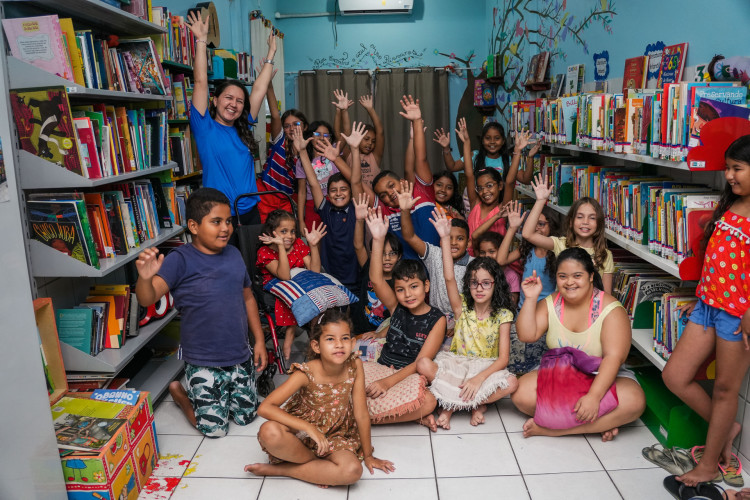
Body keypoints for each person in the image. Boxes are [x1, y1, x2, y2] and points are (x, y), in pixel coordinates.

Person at [134, 188, 268, 437]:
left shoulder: (234, 254)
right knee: (215, 431)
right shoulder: (180, 259)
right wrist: (144, 279)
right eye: (216, 222)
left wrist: (259, 340)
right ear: (194, 226)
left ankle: (221, 396)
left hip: (239, 354)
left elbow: (248, 297)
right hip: (203, 359)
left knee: (247, 418)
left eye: (228, 221)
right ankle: (183, 397)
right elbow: (147, 297)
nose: (225, 228)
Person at [661, 135, 750, 487]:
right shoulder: (733, 203)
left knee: (726, 390)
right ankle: (726, 430)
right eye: (728, 168)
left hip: (736, 315)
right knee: (675, 375)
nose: (729, 175)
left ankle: (710, 465)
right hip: (707, 305)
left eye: (737, 168)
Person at [244, 309, 394, 487]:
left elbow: (361, 413)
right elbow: (265, 407)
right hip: (301, 433)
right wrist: (308, 428)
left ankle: (283, 469)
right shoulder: (306, 372)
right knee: (269, 431)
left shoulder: (355, 365)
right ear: (316, 346)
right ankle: (316, 466)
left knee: (353, 471)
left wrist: (368, 455)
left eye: (345, 338)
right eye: (330, 339)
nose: (339, 344)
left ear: (353, 342)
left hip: (336, 434)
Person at [511, 248, 645, 441]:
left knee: (634, 401)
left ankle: (555, 428)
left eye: (577, 275)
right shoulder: (551, 302)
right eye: (562, 276)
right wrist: (531, 299)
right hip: (561, 374)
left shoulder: (611, 309)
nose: (569, 282)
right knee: (521, 393)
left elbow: (613, 359)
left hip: (604, 378)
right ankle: (601, 422)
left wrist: (594, 397)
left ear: (591, 276)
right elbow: (526, 334)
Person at [416, 208, 517, 429]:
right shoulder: (461, 307)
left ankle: (450, 406)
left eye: (486, 283)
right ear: (468, 285)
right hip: (457, 364)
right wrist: (444, 237)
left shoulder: (503, 315)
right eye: (474, 283)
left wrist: (478, 379)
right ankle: (475, 405)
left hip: (485, 368)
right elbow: (449, 276)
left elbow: (503, 360)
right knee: (423, 363)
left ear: (495, 285)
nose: (479, 288)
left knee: (511, 382)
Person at [186, 11, 276, 226]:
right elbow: (199, 82)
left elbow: (259, 89)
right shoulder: (204, 127)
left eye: (239, 101)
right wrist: (200, 40)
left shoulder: (243, 126)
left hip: (250, 211)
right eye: (228, 98)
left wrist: (271, 52)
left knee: (252, 261)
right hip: (218, 216)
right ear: (215, 101)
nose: (233, 104)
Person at [363, 207, 446, 431]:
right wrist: (378, 239)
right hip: (382, 366)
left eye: (414, 287)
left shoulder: (437, 319)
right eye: (401, 289)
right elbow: (376, 279)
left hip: (409, 374)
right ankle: (409, 414)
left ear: (426, 286)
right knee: (345, 378)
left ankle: (359, 417)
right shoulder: (396, 307)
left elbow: (421, 362)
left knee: (429, 402)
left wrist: (386, 383)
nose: (408, 294)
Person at [292, 121, 366, 293]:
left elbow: (355, 180)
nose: (338, 194)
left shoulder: (357, 208)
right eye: (333, 190)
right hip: (332, 277)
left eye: (343, 189)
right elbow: (313, 183)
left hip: (356, 275)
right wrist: (303, 152)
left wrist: (354, 150)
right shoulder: (325, 209)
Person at [369, 95, 440, 261]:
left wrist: (416, 122)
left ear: (402, 181)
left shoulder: (422, 190)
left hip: (436, 269)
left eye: (391, 185)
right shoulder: (387, 210)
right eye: (383, 195)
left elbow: (420, 159)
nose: (390, 193)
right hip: (406, 275)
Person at [398, 180, 473, 331]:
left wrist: (458, 323)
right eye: (449, 237)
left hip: (462, 320)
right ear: (441, 237)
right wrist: (405, 210)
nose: (453, 243)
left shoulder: (474, 265)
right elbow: (409, 236)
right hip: (434, 317)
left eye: (460, 238)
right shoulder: (435, 254)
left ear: (468, 243)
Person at [522, 173, 615, 294]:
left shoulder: (605, 255)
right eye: (580, 217)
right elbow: (528, 234)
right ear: (571, 222)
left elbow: (606, 295)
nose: (585, 222)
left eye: (592, 218)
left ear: (599, 224)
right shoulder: (561, 244)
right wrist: (540, 201)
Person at [256, 209, 327, 360]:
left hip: (300, 281)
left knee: (319, 293)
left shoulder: (299, 244)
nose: (290, 236)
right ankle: (290, 334)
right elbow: (284, 276)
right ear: (271, 232)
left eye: (292, 231)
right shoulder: (264, 252)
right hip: (277, 283)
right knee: (292, 291)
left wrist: (313, 246)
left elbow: (314, 272)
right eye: (284, 231)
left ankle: (314, 337)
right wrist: (281, 247)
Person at [257, 74, 309, 222]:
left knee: (286, 233)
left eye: (296, 124)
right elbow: (274, 114)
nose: (292, 129)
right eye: (287, 126)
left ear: (305, 127)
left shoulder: (307, 150)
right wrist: (269, 84)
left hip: (287, 199)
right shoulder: (279, 141)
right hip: (265, 193)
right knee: (264, 235)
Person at [497, 200, 559, 309]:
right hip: (523, 308)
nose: (536, 228)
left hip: (546, 311)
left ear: (552, 225)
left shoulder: (556, 252)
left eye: (541, 224)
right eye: (533, 224)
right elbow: (501, 260)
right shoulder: (527, 247)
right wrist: (512, 228)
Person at [333, 90, 385, 188]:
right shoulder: (349, 155)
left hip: (373, 199)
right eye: (366, 139)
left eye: (373, 141)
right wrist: (341, 111)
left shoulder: (375, 156)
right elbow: (339, 134)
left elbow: (380, 132)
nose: (370, 143)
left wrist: (370, 109)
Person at [295, 120, 340, 232]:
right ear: (310, 137)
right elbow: (301, 192)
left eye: (326, 135)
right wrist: (301, 220)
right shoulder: (302, 161)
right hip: (312, 205)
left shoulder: (334, 153)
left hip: (335, 201)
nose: (321, 138)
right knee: (316, 242)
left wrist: (341, 112)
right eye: (317, 134)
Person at [475, 231, 522, 307]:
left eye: (491, 251)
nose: (487, 256)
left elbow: (512, 303)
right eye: (482, 252)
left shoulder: (512, 276)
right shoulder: (477, 272)